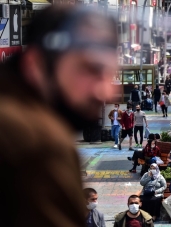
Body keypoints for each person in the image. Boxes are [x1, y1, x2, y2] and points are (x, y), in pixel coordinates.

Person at [0, 6, 119, 226]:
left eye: (110, 74)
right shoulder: (37, 141)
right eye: (89, 70)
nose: (104, 91)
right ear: (36, 65)